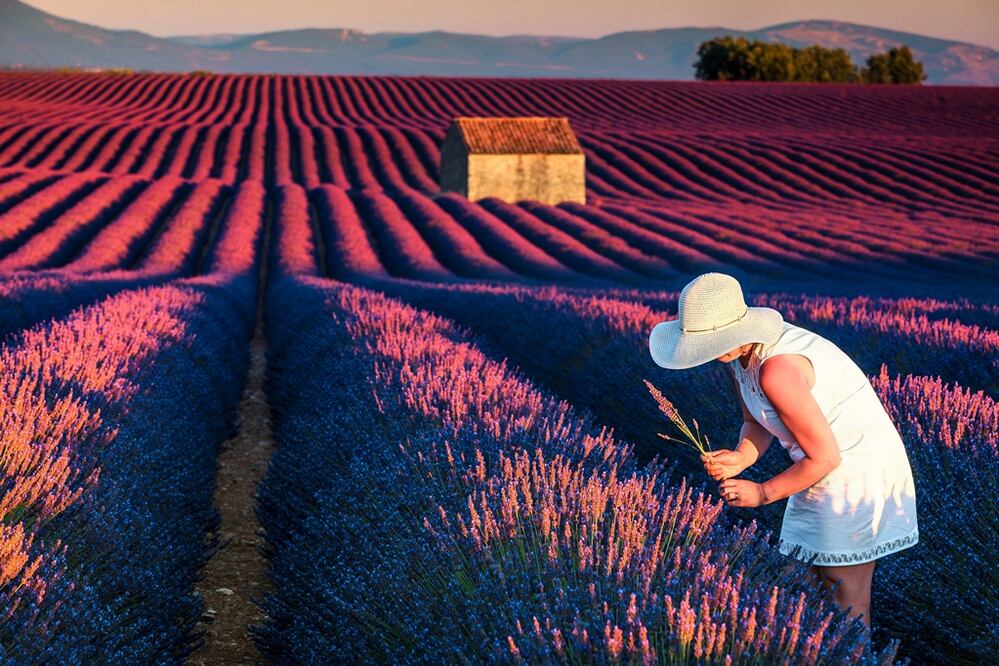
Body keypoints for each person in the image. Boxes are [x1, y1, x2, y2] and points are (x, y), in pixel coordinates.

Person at [647, 272, 918, 628]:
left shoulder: (778, 369)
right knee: (797, 581)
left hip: (856, 472)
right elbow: (757, 421)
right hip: (817, 466)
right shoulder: (740, 359)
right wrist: (742, 456)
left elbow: (826, 456)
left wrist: (761, 492)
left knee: (844, 595)